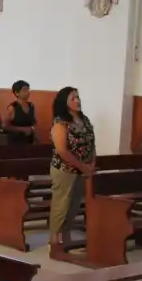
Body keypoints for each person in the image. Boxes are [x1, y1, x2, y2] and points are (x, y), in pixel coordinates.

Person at [49, 87, 95, 248]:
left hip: (82, 169)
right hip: (64, 170)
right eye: (73, 98)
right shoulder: (61, 123)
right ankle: (54, 239)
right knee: (61, 204)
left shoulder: (85, 120)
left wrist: (91, 163)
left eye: (78, 97)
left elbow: (91, 142)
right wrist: (82, 166)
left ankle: (66, 234)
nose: (78, 101)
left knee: (74, 204)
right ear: (65, 103)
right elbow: (62, 150)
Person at [3, 80, 37, 144]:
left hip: (29, 141)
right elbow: (5, 126)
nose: (27, 92)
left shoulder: (31, 106)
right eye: (24, 90)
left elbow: (33, 123)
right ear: (17, 93)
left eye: (28, 90)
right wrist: (22, 129)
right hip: (15, 143)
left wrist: (35, 136)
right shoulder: (12, 107)